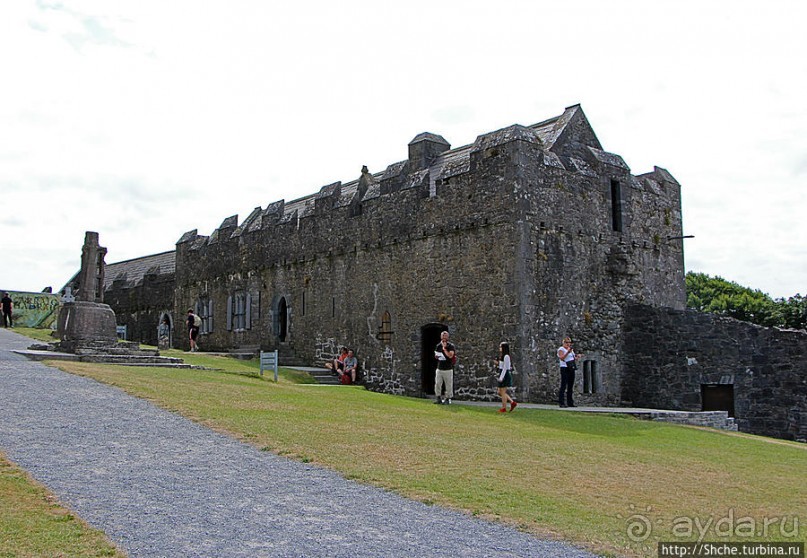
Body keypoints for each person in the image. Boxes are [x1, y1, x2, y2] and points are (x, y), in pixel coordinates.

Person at [557, 337, 582, 407]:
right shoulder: (561, 349)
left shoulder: (571, 350)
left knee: (570, 385)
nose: (568, 344)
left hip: (571, 367)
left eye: (569, 343)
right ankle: (561, 402)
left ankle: (570, 402)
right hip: (564, 367)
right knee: (564, 385)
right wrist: (567, 352)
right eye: (566, 342)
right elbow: (562, 358)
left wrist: (577, 357)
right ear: (563, 343)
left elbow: (573, 358)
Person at [433, 330, 455, 405]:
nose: (444, 337)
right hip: (439, 368)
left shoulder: (450, 346)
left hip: (448, 369)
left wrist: (444, 349)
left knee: (448, 385)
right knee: (438, 383)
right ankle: (438, 397)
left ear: (448, 337)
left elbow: (450, 355)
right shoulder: (438, 345)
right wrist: (437, 356)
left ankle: (448, 399)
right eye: (443, 336)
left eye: (445, 336)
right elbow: (436, 355)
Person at [494, 342, 517, 413]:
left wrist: (501, 377)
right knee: (499, 392)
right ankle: (512, 402)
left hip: (505, 375)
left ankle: (503, 408)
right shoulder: (503, 356)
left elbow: (505, 368)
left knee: (503, 392)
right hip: (502, 373)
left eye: (501, 347)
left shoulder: (506, 356)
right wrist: (497, 363)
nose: (499, 348)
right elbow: (501, 366)